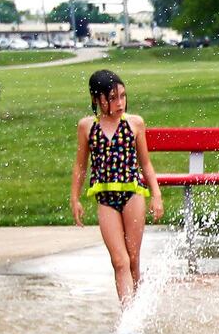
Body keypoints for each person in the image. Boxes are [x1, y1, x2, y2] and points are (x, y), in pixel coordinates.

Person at [69, 70, 164, 305]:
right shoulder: (87, 127)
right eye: (111, 98)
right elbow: (80, 166)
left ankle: (136, 312)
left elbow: (146, 163)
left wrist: (156, 194)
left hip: (133, 195)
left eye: (122, 96)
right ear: (96, 99)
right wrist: (75, 198)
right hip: (106, 200)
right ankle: (128, 319)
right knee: (119, 261)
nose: (119, 102)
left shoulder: (134, 124)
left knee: (132, 259)